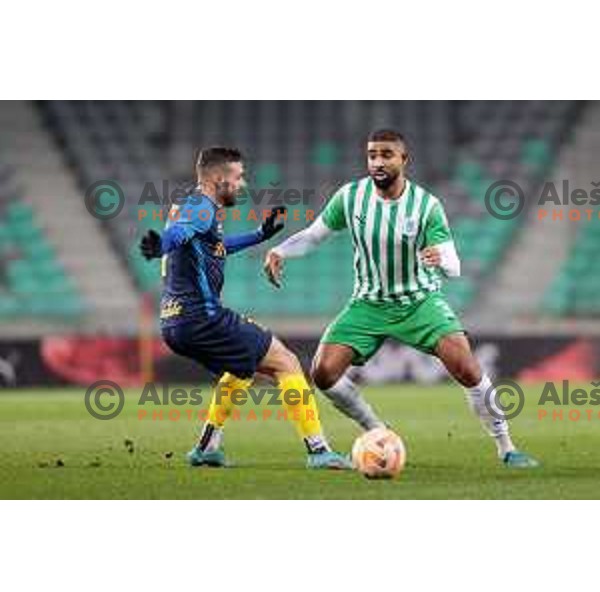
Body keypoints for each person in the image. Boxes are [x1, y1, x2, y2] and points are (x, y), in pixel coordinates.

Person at [264, 129, 538, 468]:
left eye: (386, 154)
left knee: (468, 369)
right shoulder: (350, 197)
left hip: (419, 302)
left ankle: (507, 446)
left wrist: (441, 259)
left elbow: (454, 266)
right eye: (372, 155)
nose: (378, 161)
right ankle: (378, 431)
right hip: (368, 302)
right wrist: (280, 250)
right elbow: (314, 236)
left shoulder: (426, 206)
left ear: (404, 160)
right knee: (322, 374)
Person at [140, 146, 351, 469]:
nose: (243, 183)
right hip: (202, 317)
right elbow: (180, 234)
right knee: (287, 362)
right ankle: (319, 451)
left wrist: (259, 235)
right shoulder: (201, 206)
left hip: (174, 324)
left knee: (241, 370)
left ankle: (208, 446)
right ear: (218, 178)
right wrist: (161, 244)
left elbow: (214, 247)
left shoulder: (193, 206)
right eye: (238, 177)